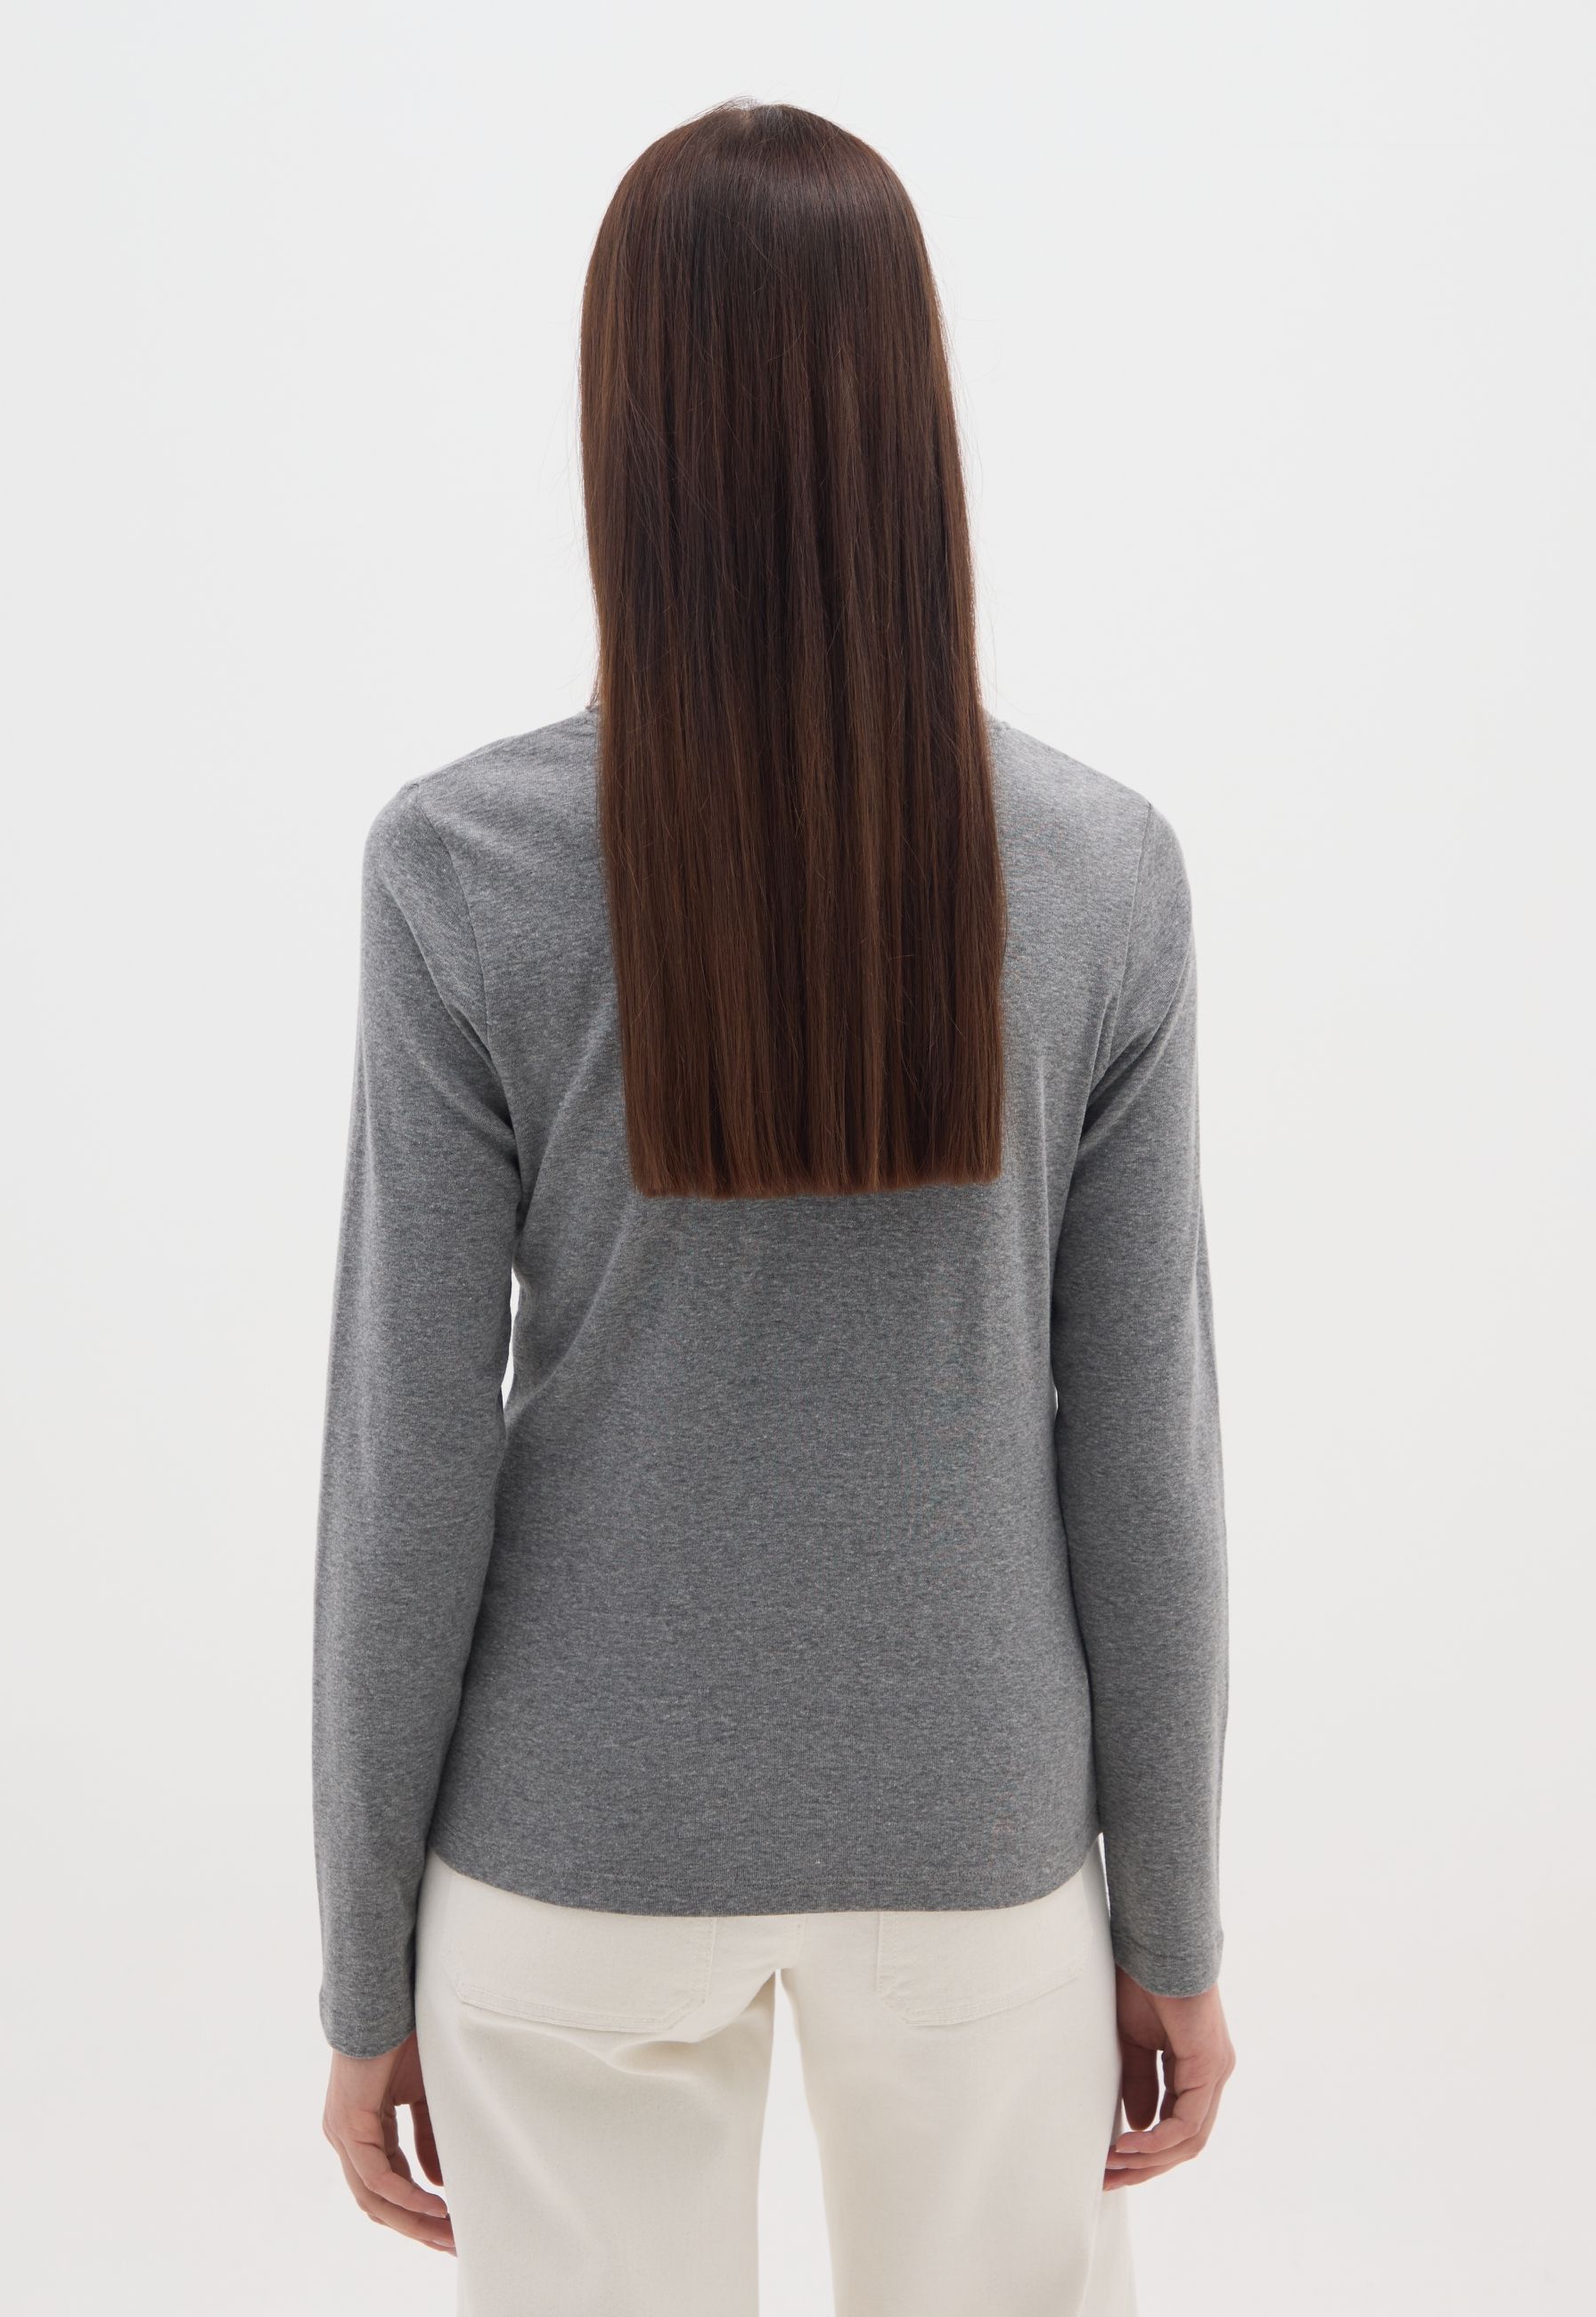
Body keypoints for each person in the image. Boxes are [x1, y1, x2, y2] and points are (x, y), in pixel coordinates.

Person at [312, 97, 1232, 2317]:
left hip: (575, 1843)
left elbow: (406, 1467)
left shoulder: (462, 868)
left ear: (620, 426)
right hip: (976, 1835)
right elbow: (1144, 1459)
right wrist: (1177, 1925)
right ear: (912, 412)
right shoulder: (1101, 869)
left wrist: (360, 1970)